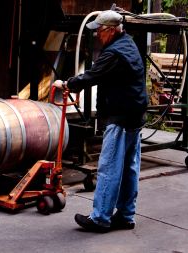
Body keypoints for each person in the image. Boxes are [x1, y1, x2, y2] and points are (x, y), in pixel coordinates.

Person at [53, 10, 148, 233]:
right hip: (134, 114)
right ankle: (126, 215)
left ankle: (100, 218)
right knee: (129, 168)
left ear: (111, 30)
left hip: (122, 116)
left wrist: (67, 84)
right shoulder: (128, 44)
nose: (97, 36)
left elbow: (92, 76)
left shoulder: (114, 53)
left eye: (100, 31)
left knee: (109, 167)